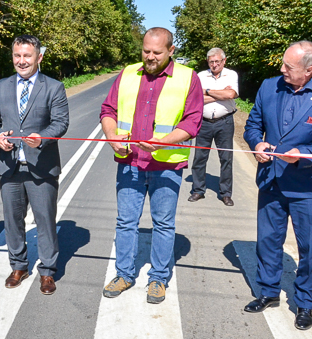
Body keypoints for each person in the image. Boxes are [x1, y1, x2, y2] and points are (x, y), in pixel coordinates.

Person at [243, 41, 312, 331]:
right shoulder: (269, 87)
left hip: (309, 187)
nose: (282, 70)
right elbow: (252, 125)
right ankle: (267, 291)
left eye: (288, 67)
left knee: (309, 247)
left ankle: (304, 302)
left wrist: (303, 154)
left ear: (309, 70)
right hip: (271, 180)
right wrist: (257, 142)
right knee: (267, 240)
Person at [99, 27, 203, 303]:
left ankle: (158, 278)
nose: (150, 57)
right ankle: (124, 274)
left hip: (166, 166)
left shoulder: (187, 78)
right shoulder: (127, 74)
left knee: (164, 224)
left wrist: (164, 142)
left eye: (157, 52)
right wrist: (112, 137)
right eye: (146, 51)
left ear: (171, 51)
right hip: (130, 162)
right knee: (125, 222)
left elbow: (192, 121)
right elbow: (108, 110)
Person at [0, 35, 69, 295]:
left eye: (27, 56)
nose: (21, 61)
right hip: (10, 166)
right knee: (12, 220)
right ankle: (19, 266)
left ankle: (47, 271)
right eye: (17, 56)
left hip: (41, 166)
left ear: (39, 57)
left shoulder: (54, 87)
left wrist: (42, 138)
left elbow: (61, 123)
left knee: (44, 221)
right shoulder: (0, 86)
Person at [189, 47, 239, 206]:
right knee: (199, 158)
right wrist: (220, 94)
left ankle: (225, 194)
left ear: (224, 61)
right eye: (212, 62)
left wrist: (207, 91)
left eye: (218, 61)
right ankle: (198, 190)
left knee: (226, 158)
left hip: (224, 122)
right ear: (208, 62)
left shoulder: (231, 74)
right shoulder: (200, 76)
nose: (215, 65)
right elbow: (196, 99)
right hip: (203, 122)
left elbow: (231, 95)